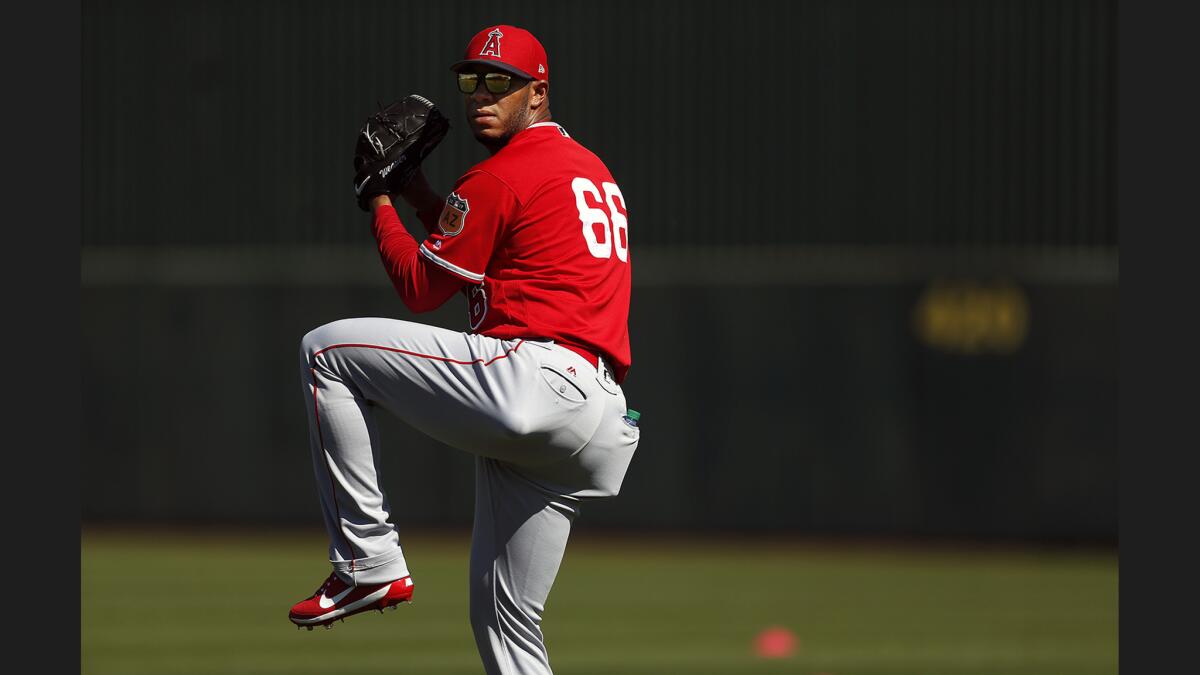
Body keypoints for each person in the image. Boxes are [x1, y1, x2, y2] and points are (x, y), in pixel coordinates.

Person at [287, 24, 640, 675]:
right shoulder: (585, 168)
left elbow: (423, 287)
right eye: (473, 79)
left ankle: (368, 561)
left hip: (534, 379)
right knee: (505, 623)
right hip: (597, 419)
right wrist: (419, 193)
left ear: (538, 92)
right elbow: (470, 257)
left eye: (499, 82)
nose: (482, 94)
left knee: (326, 351)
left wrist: (380, 198)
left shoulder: (502, 174)